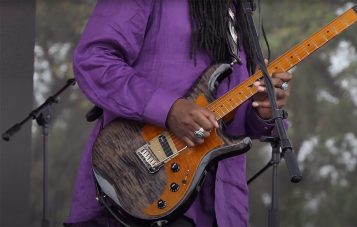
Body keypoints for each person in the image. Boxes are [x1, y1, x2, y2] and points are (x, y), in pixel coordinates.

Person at [65, 0, 292, 226]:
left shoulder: (240, 14)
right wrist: (167, 109)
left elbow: (227, 122)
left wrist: (262, 110)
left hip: (221, 209)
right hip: (136, 189)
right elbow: (95, 60)